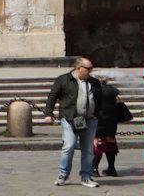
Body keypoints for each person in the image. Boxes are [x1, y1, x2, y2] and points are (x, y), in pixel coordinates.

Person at [44, 55, 100, 187]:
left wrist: (100, 115)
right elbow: (52, 96)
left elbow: (99, 100)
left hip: (90, 119)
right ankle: (63, 174)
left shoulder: (94, 82)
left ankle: (86, 176)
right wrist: (48, 113)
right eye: (89, 68)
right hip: (70, 118)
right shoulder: (64, 80)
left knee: (88, 149)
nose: (91, 71)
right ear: (79, 68)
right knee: (69, 145)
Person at [91, 71, 124, 179]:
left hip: (97, 122)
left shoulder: (94, 91)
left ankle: (94, 169)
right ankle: (111, 168)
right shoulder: (112, 92)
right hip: (111, 122)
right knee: (110, 145)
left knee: (97, 146)